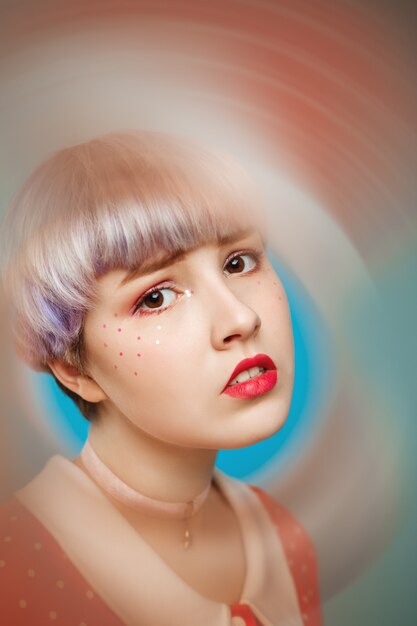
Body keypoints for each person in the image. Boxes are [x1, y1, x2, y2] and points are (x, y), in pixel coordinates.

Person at [0, 131, 322, 626]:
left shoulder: (283, 536)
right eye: (156, 297)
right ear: (73, 368)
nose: (239, 318)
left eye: (239, 262)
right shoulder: (16, 567)